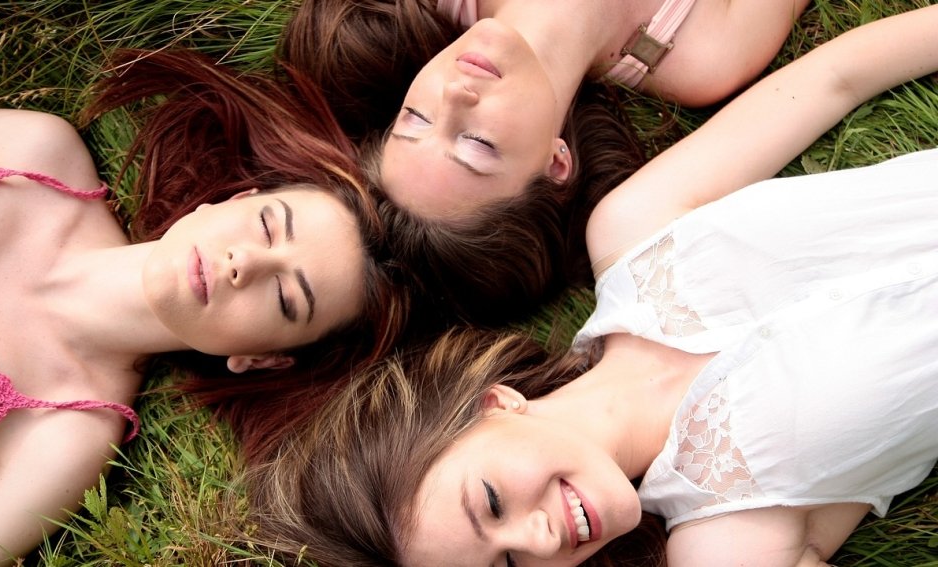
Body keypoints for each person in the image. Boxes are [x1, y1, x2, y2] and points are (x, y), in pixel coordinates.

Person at [247, 5, 938, 566]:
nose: (541, 540)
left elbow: (836, 78)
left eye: (491, 503)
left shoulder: (633, 230)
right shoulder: (726, 544)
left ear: (494, 404)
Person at [0, 48, 404, 565]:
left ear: (262, 358)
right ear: (233, 201)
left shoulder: (67, 435)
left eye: (284, 297)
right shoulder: (32, 153)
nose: (244, 262)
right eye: (267, 226)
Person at [278, 0, 807, 326]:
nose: (455, 94)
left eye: (415, 118)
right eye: (477, 144)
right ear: (557, 164)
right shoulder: (705, 54)